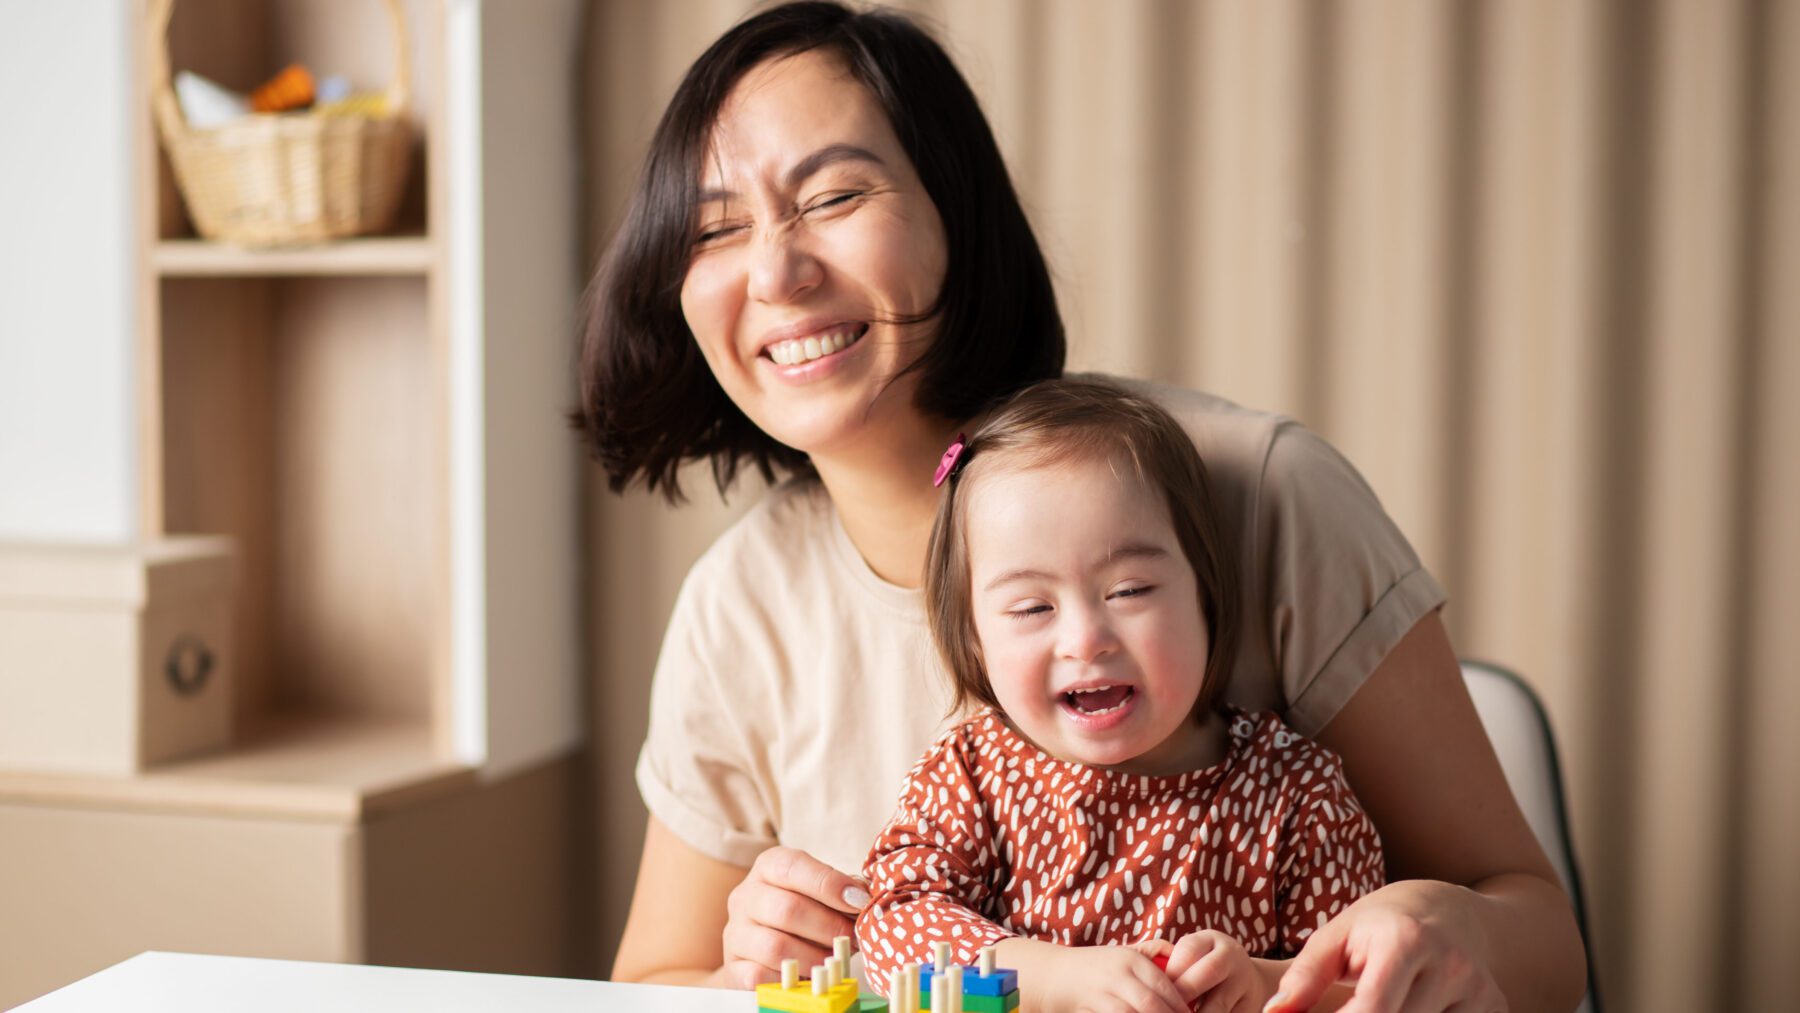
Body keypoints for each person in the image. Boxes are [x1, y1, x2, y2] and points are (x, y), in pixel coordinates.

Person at [576, 3, 1587, 1009]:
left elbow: (1543, 938)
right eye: (714, 228)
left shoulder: (1264, 491)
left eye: (836, 194)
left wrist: (1451, 933)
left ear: (957, 216)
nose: (776, 269)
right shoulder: (740, 600)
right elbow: (651, 986)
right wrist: (744, 972)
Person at [855, 379, 1386, 1013]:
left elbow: (1365, 980)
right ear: (974, 643)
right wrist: (1054, 979)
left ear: (1205, 597)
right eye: (1030, 607)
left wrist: (1263, 984)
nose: (1086, 639)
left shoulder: (1297, 795)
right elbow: (892, 924)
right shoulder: (972, 775)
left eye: (1130, 590)